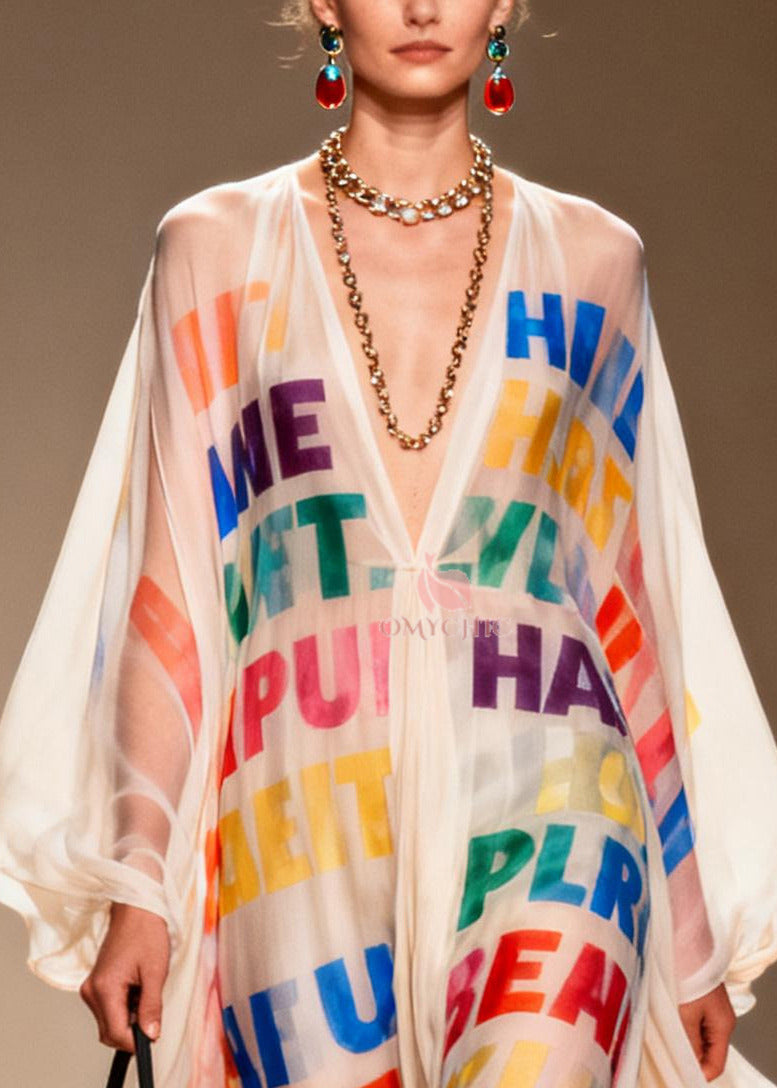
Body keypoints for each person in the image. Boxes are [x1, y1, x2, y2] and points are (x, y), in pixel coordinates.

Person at [1, 1, 777, 1086]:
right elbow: (174, 584)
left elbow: (628, 602)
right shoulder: (214, 248)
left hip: (559, 798)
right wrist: (138, 880)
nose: (421, 7)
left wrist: (689, 932)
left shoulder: (596, 258)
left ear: (503, 4)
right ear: (324, 3)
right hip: (300, 812)